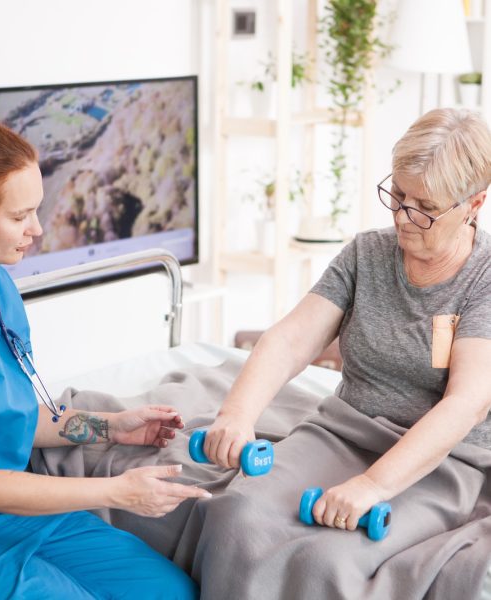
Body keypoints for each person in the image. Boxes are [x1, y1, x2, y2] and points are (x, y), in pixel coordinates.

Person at [205, 107, 491, 531]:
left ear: (474, 204)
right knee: (239, 512)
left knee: (330, 559)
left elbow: (467, 404)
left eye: (425, 207)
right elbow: (291, 340)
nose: (401, 217)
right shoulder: (367, 253)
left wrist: (372, 485)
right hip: (344, 430)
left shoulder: (483, 279)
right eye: (397, 194)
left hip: (441, 460)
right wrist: (237, 414)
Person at [0, 122, 210, 598]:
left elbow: (14, 418)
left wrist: (111, 426)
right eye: (19, 216)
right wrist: (116, 492)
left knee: (174, 593)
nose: (38, 229)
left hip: (16, 513)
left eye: (37, 210)